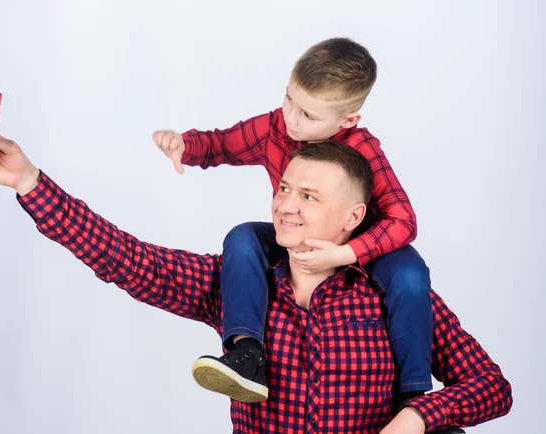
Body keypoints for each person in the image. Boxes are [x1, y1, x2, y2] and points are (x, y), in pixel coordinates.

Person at [0, 129, 512, 433]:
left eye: (309, 197)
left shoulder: (398, 293)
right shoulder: (242, 280)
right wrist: (29, 181)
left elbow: (492, 388)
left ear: (353, 218)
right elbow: (129, 260)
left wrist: (419, 415)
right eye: (285, 189)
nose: (286, 206)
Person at [153, 37, 433, 405]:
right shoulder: (276, 127)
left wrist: (344, 253)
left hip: (361, 249)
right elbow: (222, 144)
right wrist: (185, 145)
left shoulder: (363, 149)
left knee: (412, 272)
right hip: (296, 236)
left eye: (308, 115)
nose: (291, 118)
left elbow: (402, 220)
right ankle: (247, 355)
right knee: (242, 238)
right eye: (289, 100)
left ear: (348, 120)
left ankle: (414, 398)